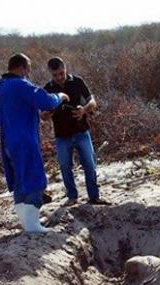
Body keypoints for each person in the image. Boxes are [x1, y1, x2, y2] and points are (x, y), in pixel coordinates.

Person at [0, 53, 69, 233]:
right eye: (28, 69)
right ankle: (33, 226)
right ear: (21, 68)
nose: (28, 73)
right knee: (35, 180)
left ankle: (27, 223)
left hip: (8, 141)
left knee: (20, 180)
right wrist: (61, 96)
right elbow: (46, 101)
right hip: (24, 140)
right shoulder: (21, 84)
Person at [42, 57, 109, 206]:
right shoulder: (47, 89)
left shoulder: (77, 81)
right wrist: (48, 113)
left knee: (89, 165)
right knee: (65, 166)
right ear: (50, 74)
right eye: (55, 75)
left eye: (61, 73)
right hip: (61, 135)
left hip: (81, 131)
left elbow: (92, 101)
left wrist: (84, 110)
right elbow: (43, 115)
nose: (59, 77)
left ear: (65, 68)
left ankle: (94, 196)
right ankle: (72, 196)